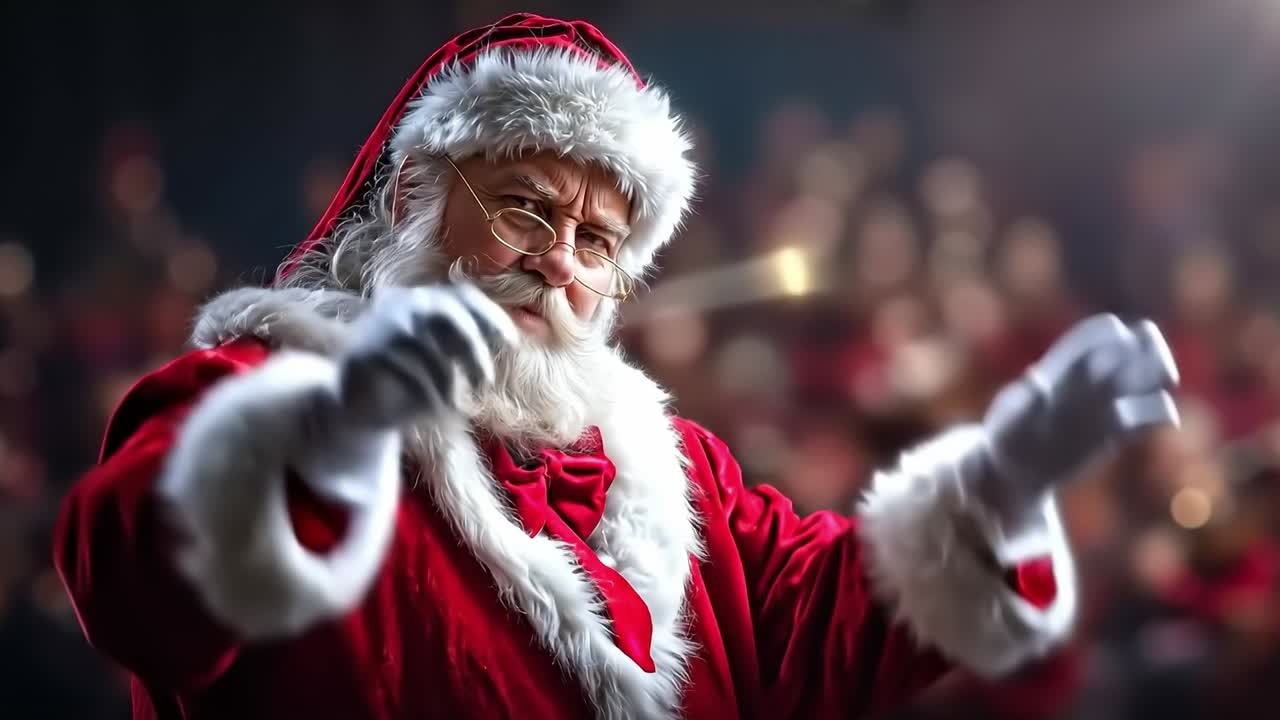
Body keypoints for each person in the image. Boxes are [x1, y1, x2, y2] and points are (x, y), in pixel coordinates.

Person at [53, 13, 1181, 720]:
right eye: (525, 209)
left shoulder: (678, 473)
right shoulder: (254, 389)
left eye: (596, 242)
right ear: (410, 200)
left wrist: (1004, 481)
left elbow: (827, 625)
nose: (558, 261)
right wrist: (333, 433)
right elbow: (133, 587)